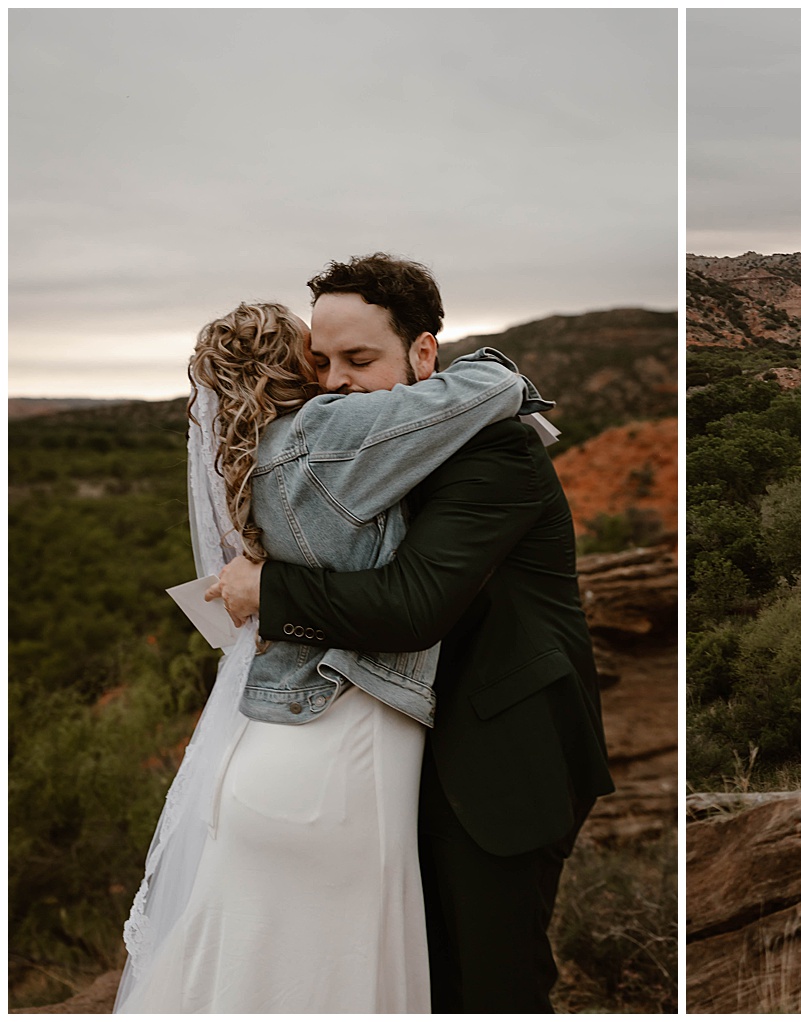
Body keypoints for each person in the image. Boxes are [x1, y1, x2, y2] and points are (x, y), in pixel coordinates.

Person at [207, 253, 616, 1012]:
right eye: (319, 363)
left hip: (496, 761)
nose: (333, 383)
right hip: (395, 763)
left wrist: (269, 588)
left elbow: (414, 604)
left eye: (359, 360)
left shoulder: (496, 454)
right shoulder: (364, 457)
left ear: (424, 354)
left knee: (490, 987)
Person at [117, 301, 544, 1012]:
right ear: (298, 365)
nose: (338, 377)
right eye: (323, 359)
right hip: (337, 750)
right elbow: (497, 389)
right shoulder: (326, 433)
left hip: (264, 742)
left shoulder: (247, 457)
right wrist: (474, 363)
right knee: (343, 977)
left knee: (239, 974)